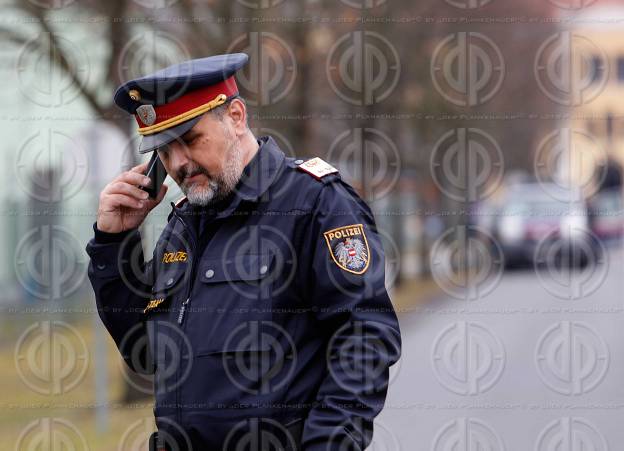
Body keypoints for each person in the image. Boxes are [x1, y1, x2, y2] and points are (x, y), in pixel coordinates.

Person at [85, 53, 402, 450]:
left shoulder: (313, 204)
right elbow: (144, 353)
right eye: (165, 150)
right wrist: (114, 244)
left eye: (191, 139)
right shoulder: (184, 225)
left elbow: (365, 339)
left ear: (235, 116)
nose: (180, 163)